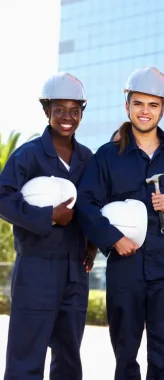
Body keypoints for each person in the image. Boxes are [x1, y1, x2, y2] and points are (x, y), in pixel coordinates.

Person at [74, 67, 164, 380]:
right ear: (127, 106)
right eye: (139, 104)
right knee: (125, 354)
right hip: (125, 266)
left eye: (153, 105)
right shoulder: (108, 156)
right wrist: (112, 239)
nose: (145, 111)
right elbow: (85, 203)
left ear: (162, 108)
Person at [0, 72, 96, 380]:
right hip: (36, 269)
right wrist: (49, 216)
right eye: (59, 110)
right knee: (26, 356)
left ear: (82, 112)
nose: (67, 118)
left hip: (76, 271)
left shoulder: (87, 158)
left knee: (69, 358)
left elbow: (94, 205)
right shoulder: (28, 154)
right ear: (46, 111)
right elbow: (3, 198)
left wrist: (93, 241)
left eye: (74, 110)